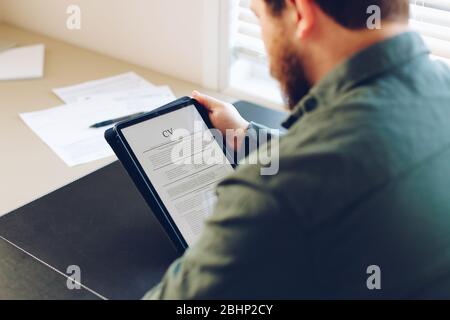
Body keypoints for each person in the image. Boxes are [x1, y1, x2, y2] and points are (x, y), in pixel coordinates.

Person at [144, 0, 450, 299]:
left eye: (259, 17)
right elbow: (360, 158)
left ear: (300, 12)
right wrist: (246, 136)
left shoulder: (275, 192)